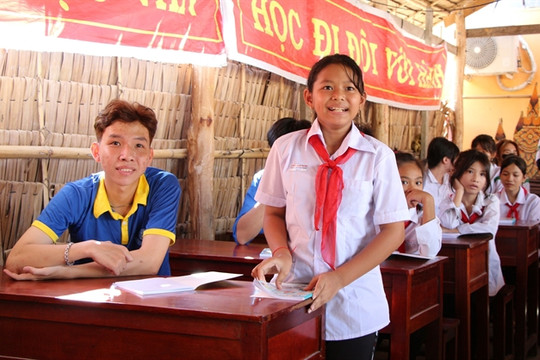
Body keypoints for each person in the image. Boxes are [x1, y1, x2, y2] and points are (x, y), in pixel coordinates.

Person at [251, 54, 409, 360]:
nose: (338, 96)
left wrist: (339, 278)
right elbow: (273, 213)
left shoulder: (379, 157)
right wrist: (281, 253)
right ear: (309, 96)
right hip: (295, 292)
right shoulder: (286, 148)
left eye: (349, 88)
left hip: (355, 298)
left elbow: (393, 232)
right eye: (327, 87)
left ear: (362, 99)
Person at [4, 99, 181, 280]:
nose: (127, 156)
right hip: (90, 302)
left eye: (139, 146)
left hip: (152, 303)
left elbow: (149, 262)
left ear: (149, 157)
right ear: (96, 152)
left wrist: (66, 272)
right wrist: (89, 247)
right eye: (115, 143)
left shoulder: (163, 185)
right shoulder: (76, 195)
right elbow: (16, 259)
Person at [232, 117, 311, 245]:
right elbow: (242, 236)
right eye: (278, 151)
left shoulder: (321, 179)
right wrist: (273, 195)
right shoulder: (262, 178)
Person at [438, 149, 504, 296]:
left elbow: (488, 230)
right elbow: (447, 225)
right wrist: (459, 193)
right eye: (470, 171)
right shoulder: (448, 201)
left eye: (482, 174)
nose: (476, 179)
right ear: (458, 173)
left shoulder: (491, 201)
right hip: (456, 267)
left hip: (485, 265)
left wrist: (458, 230)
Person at [395, 152, 442, 257]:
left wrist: (428, 201)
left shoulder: (423, 217)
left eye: (418, 183)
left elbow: (430, 253)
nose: (413, 189)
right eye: (404, 182)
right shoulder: (376, 215)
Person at [496, 155, 540, 223]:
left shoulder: (533, 202)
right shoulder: (493, 200)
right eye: (505, 174)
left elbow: (533, 229)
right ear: (500, 176)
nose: (509, 179)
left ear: (524, 178)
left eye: (515, 175)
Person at [423, 137, 460, 216]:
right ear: (445, 160)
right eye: (456, 158)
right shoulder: (423, 182)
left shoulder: (451, 181)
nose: (458, 162)